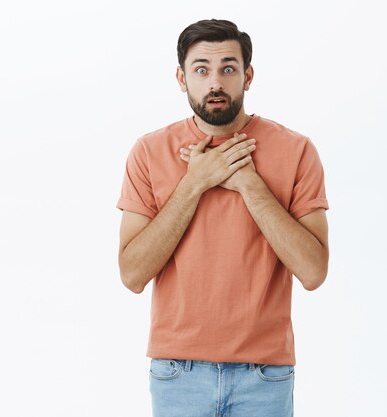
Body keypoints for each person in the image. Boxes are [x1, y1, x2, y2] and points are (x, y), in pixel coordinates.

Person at [116, 19, 329, 417]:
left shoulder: (297, 150)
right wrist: (194, 183)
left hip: (265, 374)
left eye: (228, 68)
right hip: (178, 373)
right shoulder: (148, 152)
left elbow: (314, 272)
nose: (215, 81)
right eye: (201, 69)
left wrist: (250, 184)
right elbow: (131, 274)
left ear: (247, 76)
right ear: (182, 78)